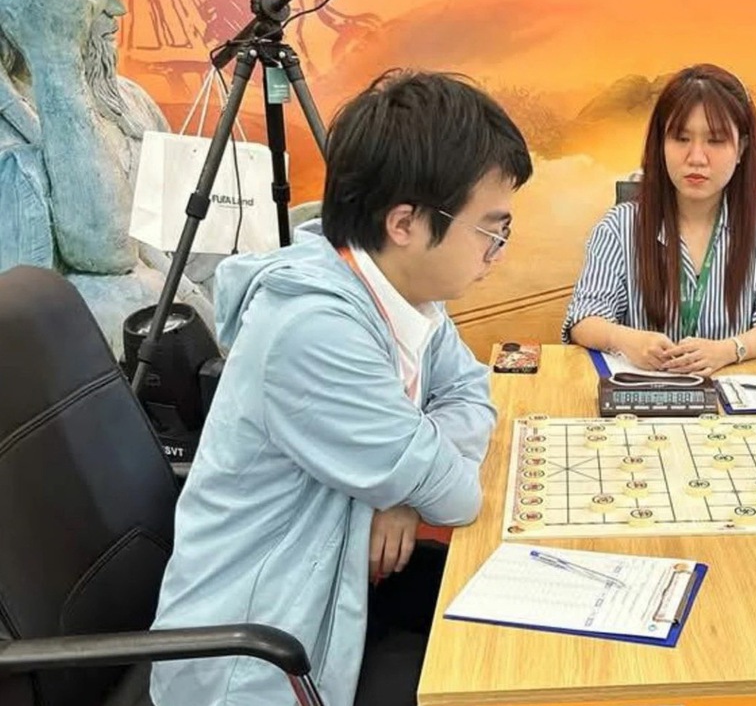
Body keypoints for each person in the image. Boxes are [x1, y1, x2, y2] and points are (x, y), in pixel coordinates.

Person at [150, 69, 532, 706]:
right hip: (259, 662)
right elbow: (457, 495)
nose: (498, 253)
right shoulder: (313, 331)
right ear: (405, 223)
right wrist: (416, 478)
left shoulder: (400, 288)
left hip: (334, 592)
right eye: (490, 231)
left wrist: (403, 489)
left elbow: (471, 392)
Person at [563, 63, 756, 376]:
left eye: (715, 140)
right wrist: (625, 339)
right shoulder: (619, 227)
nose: (696, 158)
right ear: (661, 145)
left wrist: (729, 349)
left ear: (741, 148)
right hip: (646, 395)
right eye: (681, 138)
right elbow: (584, 318)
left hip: (734, 392)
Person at [0, 0, 168, 274]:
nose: (117, 8)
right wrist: (54, 57)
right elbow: (105, 249)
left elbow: (193, 250)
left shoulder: (134, 104)